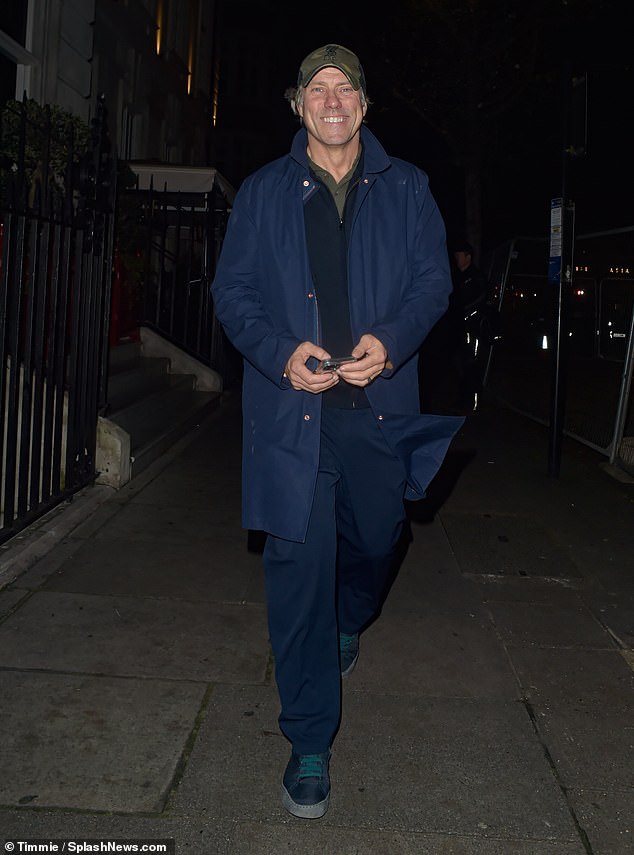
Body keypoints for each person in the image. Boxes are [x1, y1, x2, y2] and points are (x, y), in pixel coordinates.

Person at [211, 43, 463, 819]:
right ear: (297, 105)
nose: (330, 99)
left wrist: (390, 340)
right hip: (295, 421)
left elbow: (433, 281)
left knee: (380, 538)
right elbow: (234, 292)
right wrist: (282, 355)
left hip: (379, 414)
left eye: (343, 87)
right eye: (316, 88)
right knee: (296, 570)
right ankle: (309, 738)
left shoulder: (409, 188)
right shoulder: (261, 193)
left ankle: (352, 615)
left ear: (363, 104)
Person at [449, 240, 493, 411]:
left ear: (468, 257)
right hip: (456, 329)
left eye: (458, 255)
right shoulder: (455, 277)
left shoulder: (476, 276)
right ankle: (461, 402)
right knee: (458, 365)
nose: (456, 258)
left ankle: (473, 405)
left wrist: (463, 312)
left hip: (472, 329)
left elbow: (479, 299)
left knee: (471, 365)